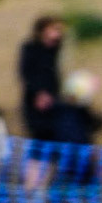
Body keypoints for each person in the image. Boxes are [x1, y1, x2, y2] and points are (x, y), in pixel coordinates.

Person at [18, 14, 64, 190]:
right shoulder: (30, 48)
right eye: (54, 29)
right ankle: (30, 185)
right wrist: (38, 93)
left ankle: (45, 185)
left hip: (55, 104)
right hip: (34, 105)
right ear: (42, 30)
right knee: (37, 143)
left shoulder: (57, 50)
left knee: (56, 146)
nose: (57, 33)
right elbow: (25, 74)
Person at [52, 70, 102, 188]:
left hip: (65, 150)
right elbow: (91, 127)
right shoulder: (80, 111)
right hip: (79, 150)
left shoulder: (58, 109)